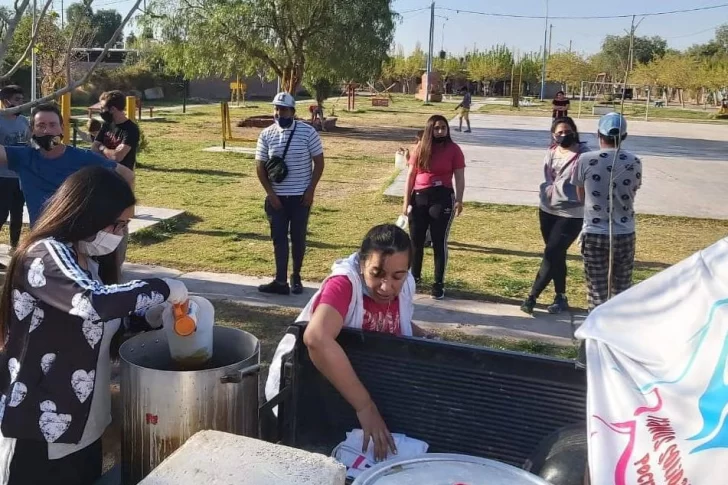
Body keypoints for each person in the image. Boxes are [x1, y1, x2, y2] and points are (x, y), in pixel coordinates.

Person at [0, 165, 188, 485]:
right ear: (89, 213)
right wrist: (163, 287)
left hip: (85, 426)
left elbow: (103, 320)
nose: (119, 234)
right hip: (41, 428)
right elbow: (90, 303)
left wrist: (152, 315)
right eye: (119, 225)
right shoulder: (44, 255)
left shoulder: (88, 261)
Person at [298, 224, 428, 461]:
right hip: (311, 394)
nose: (387, 287)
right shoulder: (343, 285)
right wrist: (365, 408)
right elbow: (317, 338)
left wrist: (423, 337)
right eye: (376, 273)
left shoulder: (405, 283)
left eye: (397, 276)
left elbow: (396, 321)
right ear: (361, 265)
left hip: (368, 391)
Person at [0, 103, 134, 227]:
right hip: (41, 238)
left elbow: (127, 175)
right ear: (32, 130)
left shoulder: (83, 157)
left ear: (62, 128)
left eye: (53, 125)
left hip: (76, 238)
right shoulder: (24, 157)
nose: (47, 131)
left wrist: (122, 218)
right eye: (41, 125)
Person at [571, 112, 642, 311]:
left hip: (594, 232)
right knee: (622, 288)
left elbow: (581, 196)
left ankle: (595, 328)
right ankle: (616, 328)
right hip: (624, 232)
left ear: (598, 135)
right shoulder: (634, 161)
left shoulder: (585, 159)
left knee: (597, 290)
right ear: (625, 137)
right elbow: (633, 189)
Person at [255, 92, 325, 295]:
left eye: (284, 109)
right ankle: (280, 280)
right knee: (279, 239)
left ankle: (296, 276)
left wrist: (310, 190)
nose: (279, 113)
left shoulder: (308, 132)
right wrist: (271, 194)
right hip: (276, 199)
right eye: (277, 109)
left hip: (300, 197)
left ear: (293, 111)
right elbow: (260, 166)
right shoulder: (266, 134)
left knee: (298, 238)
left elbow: (319, 163)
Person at [521, 117, 590, 315]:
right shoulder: (551, 151)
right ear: (553, 135)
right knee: (557, 255)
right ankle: (561, 297)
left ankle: (532, 297)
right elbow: (547, 176)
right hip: (547, 209)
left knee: (551, 253)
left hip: (571, 212)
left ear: (574, 131)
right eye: (559, 132)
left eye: (567, 131)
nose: (563, 135)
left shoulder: (584, 155)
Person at [402, 115, 465, 299]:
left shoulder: (454, 150)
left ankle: (438, 283)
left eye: (443, 128)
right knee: (416, 241)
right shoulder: (420, 148)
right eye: (436, 128)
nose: (440, 131)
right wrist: (406, 201)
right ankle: (414, 278)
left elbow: (459, 177)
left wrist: (459, 200)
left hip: (442, 197)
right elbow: (410, 176)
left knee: (439, 241)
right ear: (430, 129)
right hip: (419, 198)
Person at [92, 90, 140, 272]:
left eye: (103, 108)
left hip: (122, 183)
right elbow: (93, 147)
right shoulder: (107, 125)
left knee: (120, 223)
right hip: (102, 181)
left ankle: (116, 268)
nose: (101, 111)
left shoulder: (130, 129)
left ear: (113, 108)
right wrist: (106, 149)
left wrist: (103, 148)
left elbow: (119, 157)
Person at [0, 86, 30, 255]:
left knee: (17, 212)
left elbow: (30, 143)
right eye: (17, 100)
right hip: (2, 175)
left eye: (22, 99)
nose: (21, 103)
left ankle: (14, 247)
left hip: (20, 175)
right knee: (1, 213)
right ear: (6, 101)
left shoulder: (24, 121)